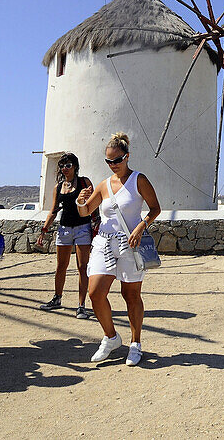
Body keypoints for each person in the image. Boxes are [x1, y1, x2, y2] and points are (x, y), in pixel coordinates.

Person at [77, 132, 161, 366]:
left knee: (130, 295)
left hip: (129, 243)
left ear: (127, 157)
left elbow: (155, 209)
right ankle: (111, 337)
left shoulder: (139, 180)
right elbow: (86, 212)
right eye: (109, 161)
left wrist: (141, 227)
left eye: (117, 160)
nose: (113, 165)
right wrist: (80, 201)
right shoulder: (104, 185)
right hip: (104, 242)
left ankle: (135, 344)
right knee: (95, 292)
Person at [36, 152, 96, 317]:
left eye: (68, 165)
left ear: (75, 166)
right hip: (64, 229)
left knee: (82, 267)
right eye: (62, 166)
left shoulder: (84, 182)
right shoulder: (59, 187)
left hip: (83, 227)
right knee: (61, 266)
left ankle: (81, 305)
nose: (65, 168)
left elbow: (93, 203)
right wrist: (44, 230)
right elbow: (54, 210)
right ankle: (57, 298)